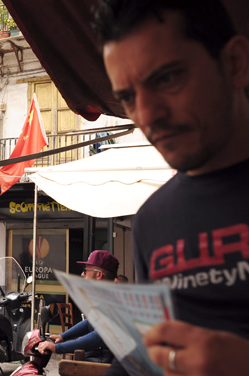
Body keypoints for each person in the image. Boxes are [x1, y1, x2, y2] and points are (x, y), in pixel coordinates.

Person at [95, 0, 249, 374]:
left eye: (166, 78)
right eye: (128, 98)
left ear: (235, 64)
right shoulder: (151, 221)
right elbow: (152, 354)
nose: (146, 115)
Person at [37, 250, 118, 363]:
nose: (82, 274)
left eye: (85, 271)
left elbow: (99, 336)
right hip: (96, 361)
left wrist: (57, 348)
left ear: (98, 274)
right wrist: (63, 336)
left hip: (103, 366)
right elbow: (90, 322)